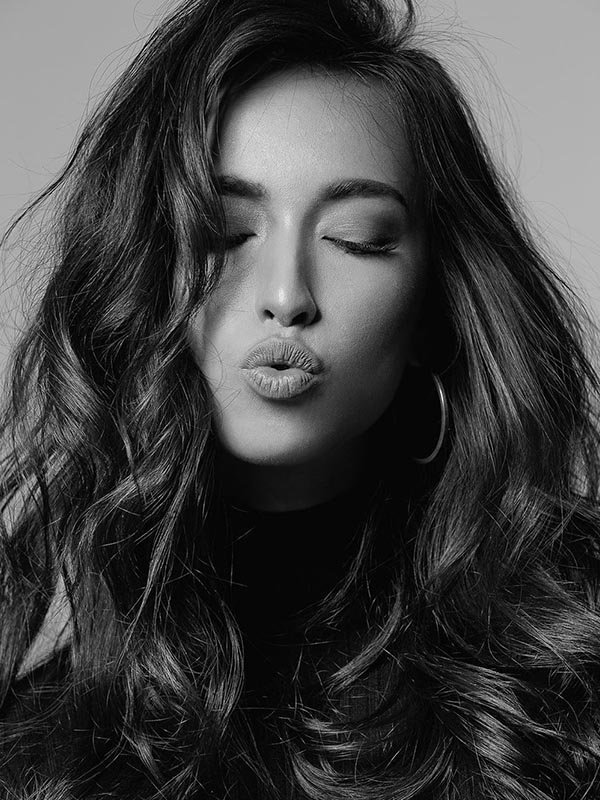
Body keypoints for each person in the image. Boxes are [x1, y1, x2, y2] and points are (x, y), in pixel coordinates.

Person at [1, 0, 600, 797]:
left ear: (434, 304)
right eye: (223, 232)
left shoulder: (565, 668)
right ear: (139, 271)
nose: (287, 296)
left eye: (356, 239)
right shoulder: (42, 742)